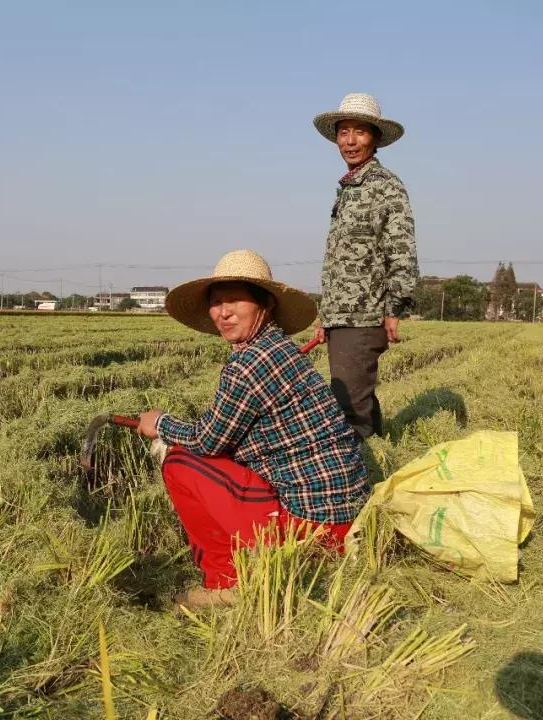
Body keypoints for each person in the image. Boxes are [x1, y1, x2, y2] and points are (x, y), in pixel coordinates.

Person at [136, 250, 370, 609]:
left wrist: (161, 423)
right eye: (215, 303)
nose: (222, 312)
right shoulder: (278, 349)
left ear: (266, 305)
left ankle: (226, 581)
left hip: (311, 531)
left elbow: (207, 440)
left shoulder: (251, 363)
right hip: (347, 518)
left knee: (181, 463)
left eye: (234, 300)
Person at [311, 93, 418, 439]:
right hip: (341, 316)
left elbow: (401, 252)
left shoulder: (385, 187)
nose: (350, 141)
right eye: (344, 133)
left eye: (359, 132)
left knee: (348, 410)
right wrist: (324, 316)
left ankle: (358, 485)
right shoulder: (349, 188)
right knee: (360, 399)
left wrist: (394, 308)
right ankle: (382, 459)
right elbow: (340, 263)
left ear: (374, 137)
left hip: (364, 315)